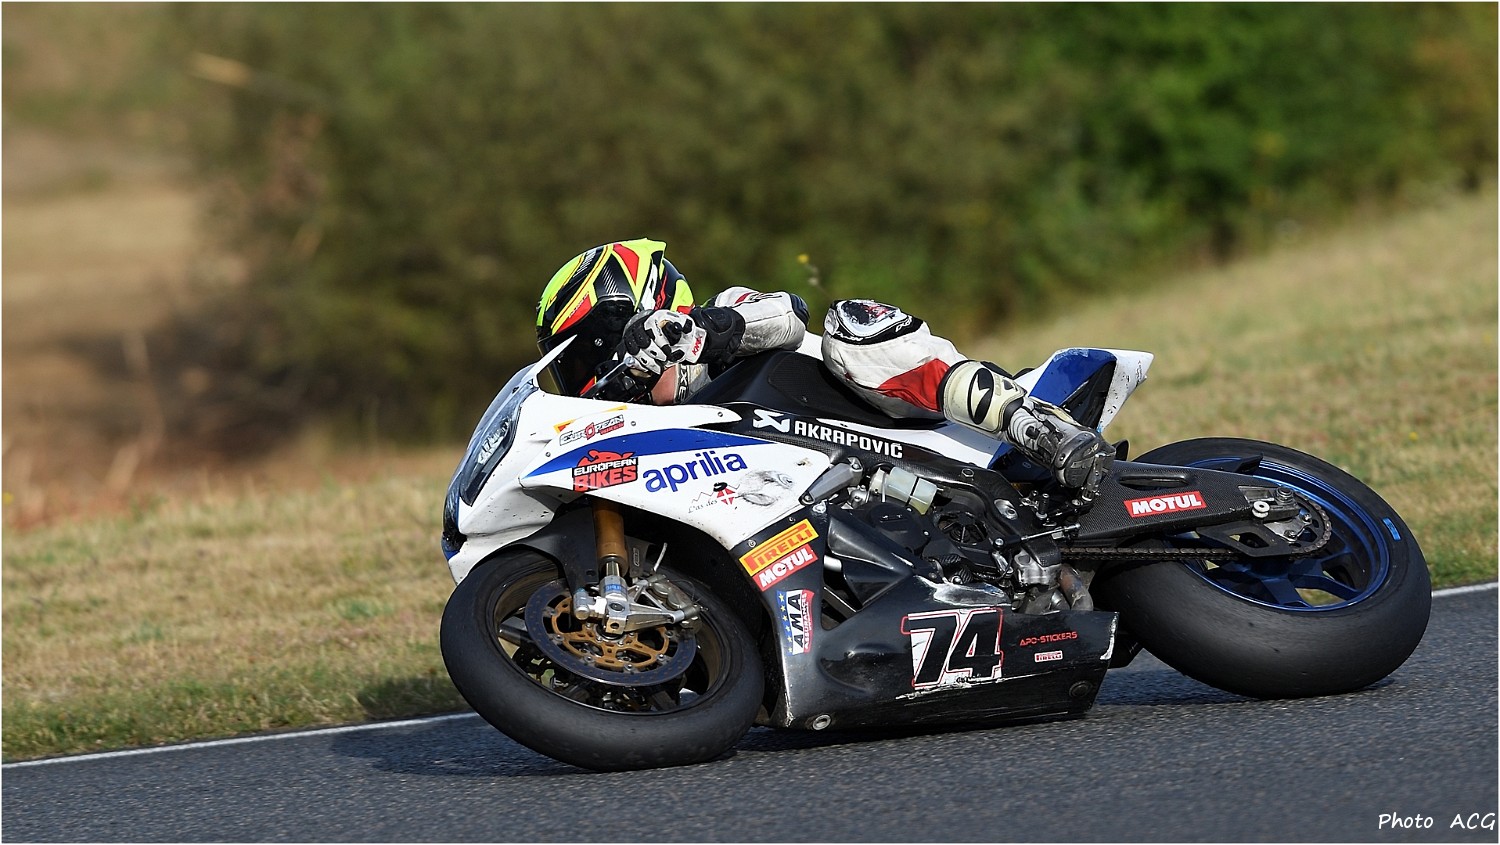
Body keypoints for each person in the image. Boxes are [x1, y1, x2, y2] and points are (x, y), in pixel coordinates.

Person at [535, 238, 1113, 496]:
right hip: (845, 501)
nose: (586, 378)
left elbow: (787, 316)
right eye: (568, 366)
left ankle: (1033, 423)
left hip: (909, 427)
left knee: (850, 326)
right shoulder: (648, 445)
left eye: (587, 353)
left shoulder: (722, 318)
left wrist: (699, 332)